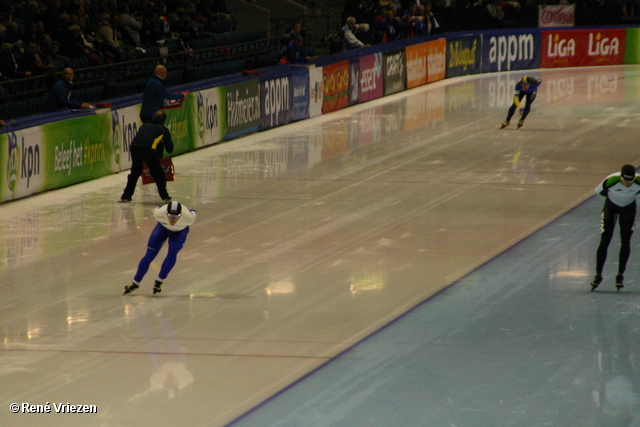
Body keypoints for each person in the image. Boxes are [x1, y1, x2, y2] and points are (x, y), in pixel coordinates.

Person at [123, 201, 196, 295]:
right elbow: (158, 207)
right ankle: (135, 283)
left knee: (172, 253)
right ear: (166, 214)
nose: (173, 219)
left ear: (181, 215)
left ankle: (159, 281)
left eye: (176, 217)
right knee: (149, 255)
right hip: (162, 229)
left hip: (179, 232)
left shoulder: (188, 218)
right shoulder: (159, 213)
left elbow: (193, 211)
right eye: (170, 216)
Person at [591, 164, 640, 292]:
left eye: (630, 182)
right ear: (621, 177)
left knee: (625, 240)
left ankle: (620, 275)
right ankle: (598, 274)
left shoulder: (639, 182)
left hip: (628, 208)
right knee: (605, 240)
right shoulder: (611, 180)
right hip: (611, 206)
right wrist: (616, 198)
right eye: (624, 181)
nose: (627, 184)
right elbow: (600, 191)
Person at [120, 110, 174, 203]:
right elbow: (170, 149)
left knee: (135, 172)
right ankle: (165, 196)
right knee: (158, 173)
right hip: (148, 149)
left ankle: (126, 195)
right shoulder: (163, 129)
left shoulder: (143, 126)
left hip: (134, 147)